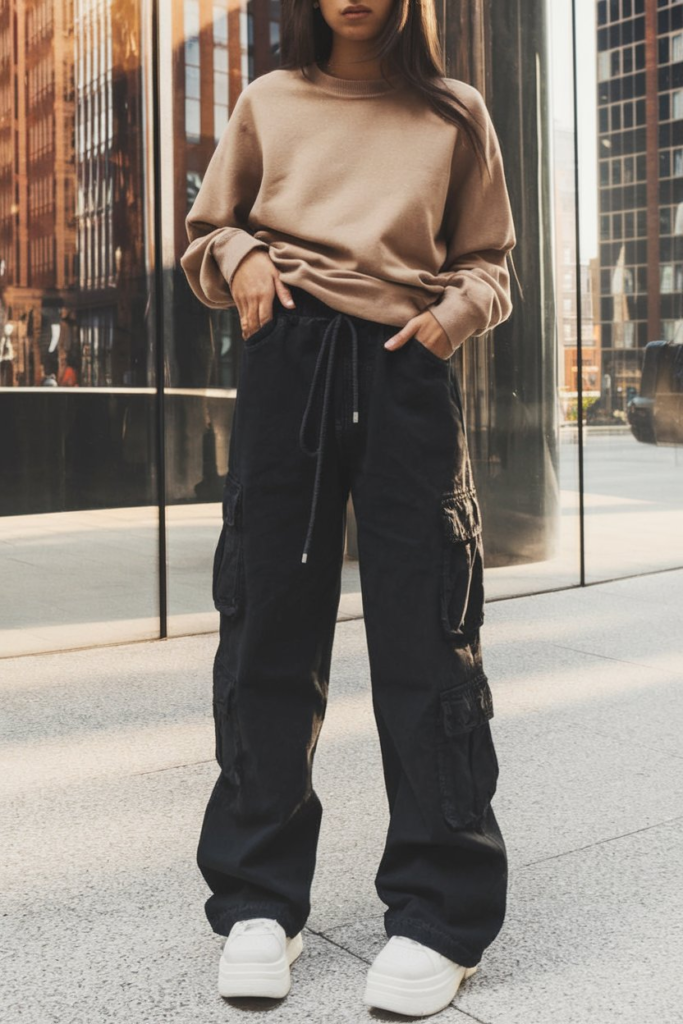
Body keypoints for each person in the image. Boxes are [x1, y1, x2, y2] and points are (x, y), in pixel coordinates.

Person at [180, 0, 516, 1016]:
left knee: (428, 629)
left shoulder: (453, 114)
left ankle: (438, 911)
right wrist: (236, 258)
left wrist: (452, 316)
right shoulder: (268, 100)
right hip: (289, 359)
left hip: (405, 369)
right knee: (267, 628)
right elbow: (207, 233)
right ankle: (257, 900)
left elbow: (490, 262)